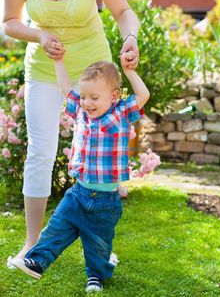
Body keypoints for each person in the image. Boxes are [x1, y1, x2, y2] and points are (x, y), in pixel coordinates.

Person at [3, 0, 140, 261]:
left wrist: (129, 36)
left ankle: (101, 247)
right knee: (40, 150)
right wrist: (38, 36)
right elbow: (9, 21)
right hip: (45, 66)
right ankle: (32, 243)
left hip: (94, 71)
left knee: (101, 151)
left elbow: (122, 11)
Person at [11, 53, 150, 293]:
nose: (87, 102)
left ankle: (97, 274)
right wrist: (58, 62)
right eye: (84, 96)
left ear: (114, 96)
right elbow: (66, 89)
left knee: (98, 245)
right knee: (57, 226)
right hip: (78, 192)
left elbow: (143, 96)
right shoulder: (81, 112)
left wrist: (130, 73)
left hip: (105, 201)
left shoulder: (120, 114)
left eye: (94, 97)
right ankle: (37, 261)